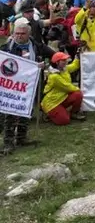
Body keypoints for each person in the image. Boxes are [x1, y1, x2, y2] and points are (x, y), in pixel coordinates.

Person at [1, 21, 55, 155]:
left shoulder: (36, 46)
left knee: (26, 110)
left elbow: (53, 56)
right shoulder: (6, 48)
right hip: (12, 86)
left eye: (22, 34)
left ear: (28, 34)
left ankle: (21, 138)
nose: (19, 36)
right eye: (16, 33)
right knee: (11, 112)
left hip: (29, 85)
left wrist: (45, 64)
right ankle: (8, 142)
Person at [40, 51, 84, 125]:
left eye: (66, 59)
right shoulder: (54, 76)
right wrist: (80, 90)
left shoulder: (64, 68)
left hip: (62, 98)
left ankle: (73, 113)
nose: (66, 61)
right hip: (51, 103)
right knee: (64, 121)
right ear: (57, 62)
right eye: (63, 60)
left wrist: (77, 57)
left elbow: (74, 66)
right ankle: (48, 114)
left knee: (78, 94)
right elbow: (68, 87)